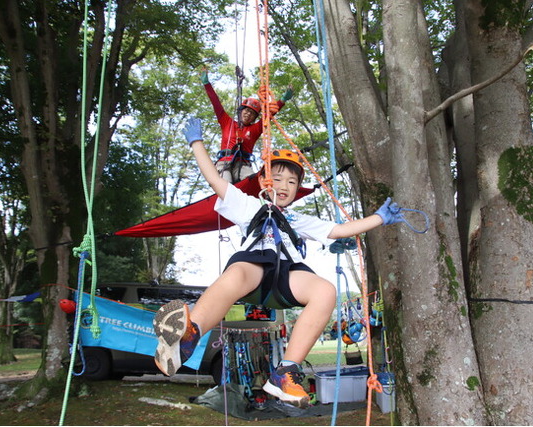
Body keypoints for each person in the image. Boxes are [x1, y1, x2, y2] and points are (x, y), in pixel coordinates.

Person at [153, 117, 402, 408]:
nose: (284, 186)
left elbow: (338, 230)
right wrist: (197, 143)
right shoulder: (248, 205)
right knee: (236, 274)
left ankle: (284, 374)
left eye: (292, 182)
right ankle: (188, 335)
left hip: (287, 275)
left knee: (325, 291)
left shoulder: (298, 219)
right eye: (278, 178)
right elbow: (215, 180)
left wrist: (379, 218)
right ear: (263, 181)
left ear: (298, 189)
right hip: (254, 269)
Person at [201, 68, 293, 183]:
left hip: (243, 164)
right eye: (247, 111)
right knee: (225, 185)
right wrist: (207, 84)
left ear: (254, 118)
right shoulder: (227, 122)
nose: (248, 114)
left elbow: (269, 115)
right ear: (240, 111)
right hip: (224, 162)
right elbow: (216, 103)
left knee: (251, 182)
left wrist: (283, 100)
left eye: (252, 114)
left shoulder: (254, 129)